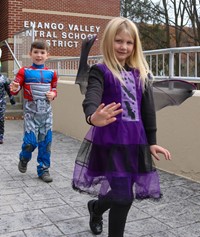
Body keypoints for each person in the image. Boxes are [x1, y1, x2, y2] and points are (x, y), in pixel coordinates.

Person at [72, 17, 171, 237]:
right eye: (118, 41)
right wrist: (92, 116)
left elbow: (148, 111)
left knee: (121, 190)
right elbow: (91, 97)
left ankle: (95, 208)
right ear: (109, 42)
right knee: (124, 197)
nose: (124, 47)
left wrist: (152, 142)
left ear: (135, 45)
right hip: (109, 142)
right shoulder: (101, 71)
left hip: (135, 142)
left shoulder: (141, 74)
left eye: (129, 42)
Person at [10, 40, 58, 183]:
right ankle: (24, 158)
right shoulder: (24, 71)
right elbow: (16, 87)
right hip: (31, 115)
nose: (39, 55)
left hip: (47, 116)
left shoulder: (52, 73)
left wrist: (53, 95)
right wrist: (13, 88)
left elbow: (54, 90)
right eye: (36, 52)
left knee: (46, 143)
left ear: (47, 55)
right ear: (30, 54)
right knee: (31, 143)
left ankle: (43, 169)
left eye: (42, 52)